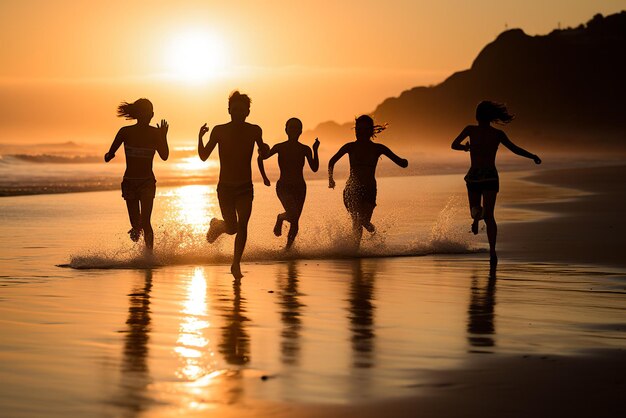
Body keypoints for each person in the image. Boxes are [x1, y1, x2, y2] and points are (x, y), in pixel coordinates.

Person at [451, 100, 541, 266]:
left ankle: (483, 232)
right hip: (489, 176)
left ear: (477, 115)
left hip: (476, 176)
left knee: (478, 212)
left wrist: (465, 148)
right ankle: (487, 239)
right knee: (487, 215)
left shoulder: (471, 130)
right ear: (492, 116)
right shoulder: (494, 133)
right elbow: (515, 149)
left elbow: (454, 145)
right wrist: (532, 156)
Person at [198, 91, 270, 279]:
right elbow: (204, 156)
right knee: (232, 228)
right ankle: (217, 225)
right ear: (229, 110)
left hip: (245, 187)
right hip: (225, 188)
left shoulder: (255, 130)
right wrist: (200, 137)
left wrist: (265, 150)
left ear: (247, 112)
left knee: (243, 225)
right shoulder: (219, 130)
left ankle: (236, 263)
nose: (238, 113)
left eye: (242, 110)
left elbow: (263, 150)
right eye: (234, 109)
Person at [328, 115, 408, 247]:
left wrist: (404, 162)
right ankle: (355, 250)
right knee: (357, 221)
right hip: (352, 188)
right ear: (355, 131)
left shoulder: (378, 148)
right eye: (358, 129)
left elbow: (400, 162)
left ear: (371, 131)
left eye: (365, 129)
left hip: (370, 190)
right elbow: (332, 161)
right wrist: (331, 179)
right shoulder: (350, 147)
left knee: (364, 222)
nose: (361, 132)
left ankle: (371, 236)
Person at [104, 98, 169, 250]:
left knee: (145, 222)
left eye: (149, 113)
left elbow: (164, 156)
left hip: (147, 182)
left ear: (152, 115)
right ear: (138, 114)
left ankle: (149, 257)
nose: (148, 115)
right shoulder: (125, 132)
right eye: (144, 112)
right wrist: (109, 155)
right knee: (136, 226)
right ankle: (135, 229)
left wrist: (163, 136)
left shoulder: (155, 133)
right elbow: (110, 153)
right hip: (130, 183)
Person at [258, 118, 320, 249]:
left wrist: (315, 150)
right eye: (291, 127)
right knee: (292, 215)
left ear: (301, 131)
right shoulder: (280, 147)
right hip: (283, 187)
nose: (294, 130)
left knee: (295, 220)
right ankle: (280, 218)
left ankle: (288, 250)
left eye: (297, 128)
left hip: (300, 188)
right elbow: (262, 158)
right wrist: (264, 177)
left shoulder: (305, 149)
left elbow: (314, 168)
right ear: (286, 130)